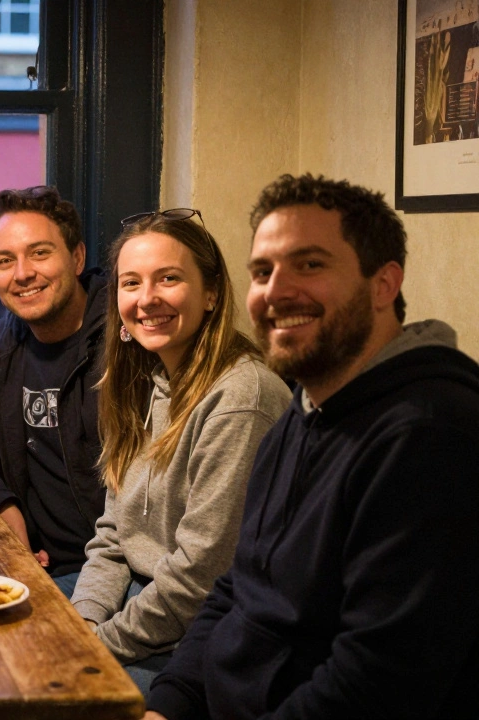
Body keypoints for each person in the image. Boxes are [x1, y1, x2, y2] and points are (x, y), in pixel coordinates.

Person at [145, 174, 479, 720]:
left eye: (311, 264)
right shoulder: (303, 413)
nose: (276, 291)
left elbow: (377, 685)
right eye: (263, 271)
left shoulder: (431, 436)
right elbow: (235, 590)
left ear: (383, 284)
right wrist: (168, 703)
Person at [69, 209, 290, 698]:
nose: (147, 299)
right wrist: (81, 622)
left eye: (168, 279)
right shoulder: (142, 379)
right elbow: (112, 536)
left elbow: (200, 582)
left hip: (200, 638)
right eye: (131, 283)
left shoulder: (242, 399)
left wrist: (93, 647)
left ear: (211, 293)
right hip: (138, 605)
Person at [0, 185, 108, 596]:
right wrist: (7, 510)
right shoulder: (1, 346)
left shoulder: (129, 335)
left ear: (77, 257)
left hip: (120, 576)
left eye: (40, 253)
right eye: (5, 261)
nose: (23, 273)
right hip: (42, 570)